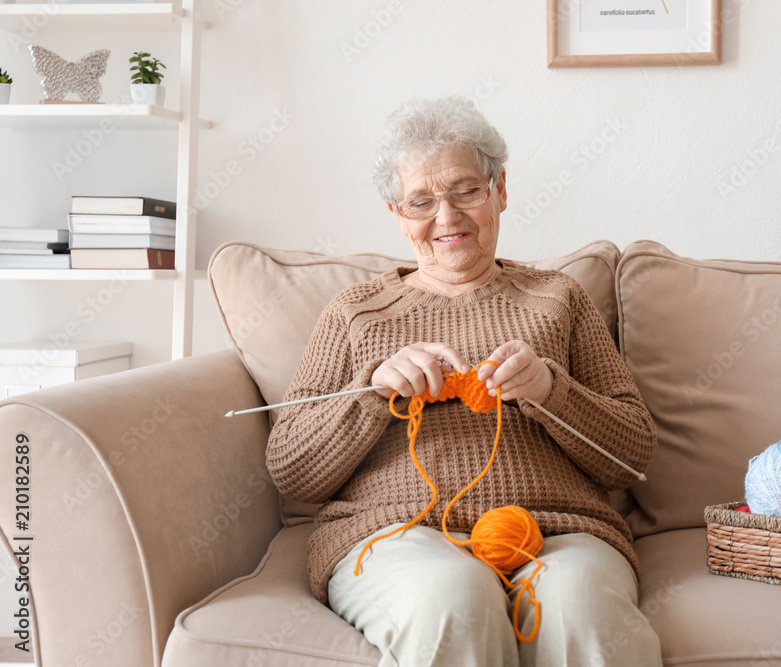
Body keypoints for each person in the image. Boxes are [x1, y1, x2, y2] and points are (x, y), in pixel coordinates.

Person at [266, 96, 661, 667]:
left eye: (466, 191)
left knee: (580, 606)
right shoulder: (356, 311)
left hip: (557, 533)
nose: (446, 218)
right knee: (455, 596)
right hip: (398, 535)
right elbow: (292, 469)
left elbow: (632, 457)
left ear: (500, 190)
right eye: (421, 201)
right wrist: (373, 393)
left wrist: (553, 392)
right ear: (397, 214)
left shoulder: (559, 299)